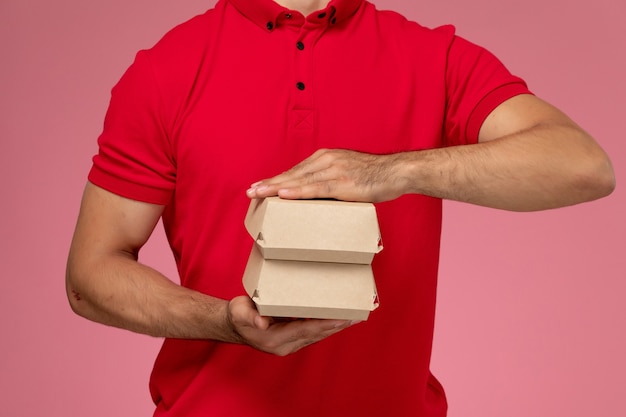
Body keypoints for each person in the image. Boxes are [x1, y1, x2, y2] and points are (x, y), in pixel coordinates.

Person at [66, 0, 615, 416]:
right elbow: (91, 276)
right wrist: (226, 322)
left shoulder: (433, 56)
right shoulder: (168, 69)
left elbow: (582, 165)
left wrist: (394, 170)